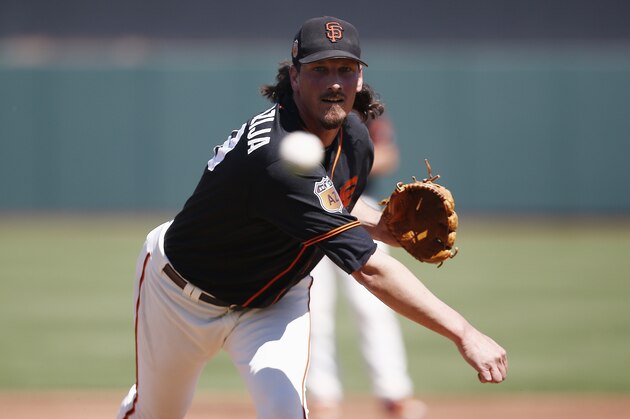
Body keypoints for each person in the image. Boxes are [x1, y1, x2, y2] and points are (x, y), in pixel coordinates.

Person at [117, 15, 508, 419]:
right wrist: (463, 332)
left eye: (346, 69)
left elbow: (331, 200)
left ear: (359, 78)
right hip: (181, 296)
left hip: (273, 301)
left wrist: (383, 226)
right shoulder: (276, 155)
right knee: (156, 414)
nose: (335, 82)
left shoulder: (356, 137)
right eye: (319, 69)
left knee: (287, 412)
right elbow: (369, 269)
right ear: (294, 77)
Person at [307, 115, 427, 419]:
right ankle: (322, 396)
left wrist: (335, 163)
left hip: (359, 207)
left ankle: (394, 393)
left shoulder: (363, 113)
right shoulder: (298, 112)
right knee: (313, 308)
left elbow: (388, 155)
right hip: (306, 209)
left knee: (375, 305)